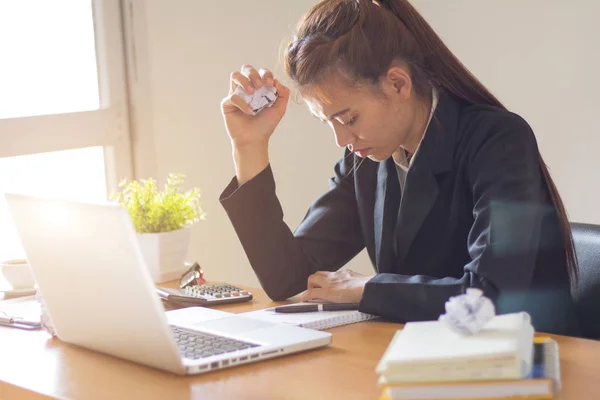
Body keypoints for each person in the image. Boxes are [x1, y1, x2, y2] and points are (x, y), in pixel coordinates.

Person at [219, 0, 580, 335]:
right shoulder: (365, 159)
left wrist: (367, 288)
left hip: (519, 357)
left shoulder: (497, 139)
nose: (341, 139)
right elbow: (288, 277)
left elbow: (489, 296)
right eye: (327, 121)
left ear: (397, 83)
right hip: (423, 353)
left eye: (347, 117)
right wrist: (249, 147)